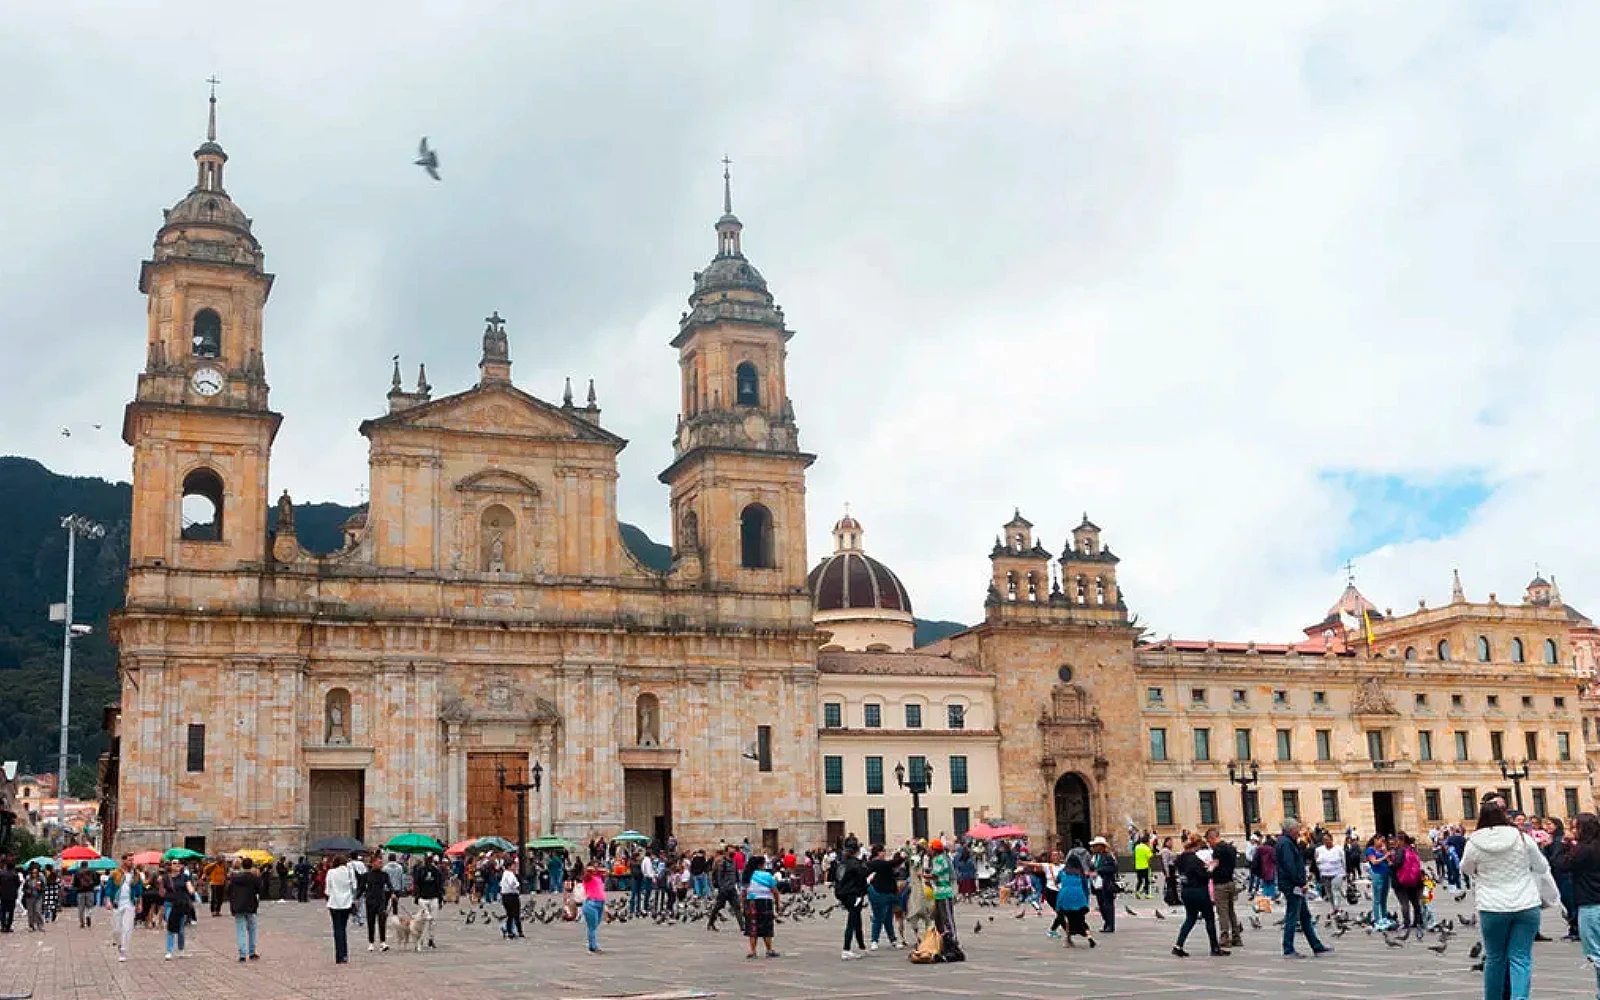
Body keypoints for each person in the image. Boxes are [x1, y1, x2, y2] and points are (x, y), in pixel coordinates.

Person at [1461, 799, 1550, 1000]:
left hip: (1492, 906)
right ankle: (1520, 998)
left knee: (1495, 958)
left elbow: (1465, 869)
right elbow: (1542, 867)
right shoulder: (1522, 838)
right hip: (1526, 903)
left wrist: (1483, 871)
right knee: (1520, 957)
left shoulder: (1474, 842)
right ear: (1504, 817)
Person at [1275, 820, 1332, 959]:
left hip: (1292, 884)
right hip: (1292, 885)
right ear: (1290, 830)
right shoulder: (1286, 843)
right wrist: (1300, 883)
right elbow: (1290, 866)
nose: (1299, 832)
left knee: (1305, 916)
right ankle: (1288, 948)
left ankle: (1316, 945)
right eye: (1297, 829)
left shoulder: (1285, 842)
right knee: (1292, 916)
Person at [1170, 835, 1224, 957]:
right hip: (1199, 891)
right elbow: (1204, 875)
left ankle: (1178, 945)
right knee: (1209, 918)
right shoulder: (1194, 859)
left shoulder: (1180, 858)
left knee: (1190, 918)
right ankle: (1214, 947)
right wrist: (1210, 869)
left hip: (1186, 891)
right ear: (1198, 845)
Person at [1566, 813, 1600, 995]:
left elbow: (1562, 864)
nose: (1572, 831)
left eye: (1575, 827)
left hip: (1590, 904)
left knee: (1596, 953)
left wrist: (1565, 845)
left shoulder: (1583, 850)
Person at [1206, 829, 1242, 948]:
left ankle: (1224, 937)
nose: (1209, 845)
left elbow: (1215, 864)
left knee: (1222, 912)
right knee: (1231, 911)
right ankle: (1236, 937)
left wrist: (1208, 869)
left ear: (1212, 838)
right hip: (1231, 882)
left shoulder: (1217, 849)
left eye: (1208, 841)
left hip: (1220, 884)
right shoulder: (1231, 848)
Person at [104, 855, 143, 961]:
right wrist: (108, 901)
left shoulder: (136, 875)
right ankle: (120, 945)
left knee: (127, 927)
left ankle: (124, 951)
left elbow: (139, 891)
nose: (131, 862)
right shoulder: (115, 874)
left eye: (132, 860)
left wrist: (139, 904)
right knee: (116, 930)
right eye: (129, 860)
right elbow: (109, 888)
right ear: (124, 861)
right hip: (117, 903)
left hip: (130, 903)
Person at [1053, 855, 1096, 948]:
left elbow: (1056, 881)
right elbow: (1085, 886)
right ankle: (1089, 937)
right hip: (1078, 896)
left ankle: (1068, 939)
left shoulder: (1063, 872)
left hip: (1065, 896)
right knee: (1081, 919)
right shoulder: (1080, 873)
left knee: (1067, 918)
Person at [864, 846, 901, 950]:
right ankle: (874, 940)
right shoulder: (875, 863)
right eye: (883, 851)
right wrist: (903, 857)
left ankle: (892, 939)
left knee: (888, 917)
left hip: (889, 892)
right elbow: (890, 864)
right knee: (878, 917)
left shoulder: (881, 863)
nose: (884, 853)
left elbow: (891, 872)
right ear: (878, 853)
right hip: (878, 892)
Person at [1389, 832, 1425, 935]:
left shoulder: (1400, 851)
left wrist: (1390, 863)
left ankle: (1407, 922)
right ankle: (1418, 921)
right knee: (1415, 902)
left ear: (1401, 841)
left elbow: (1397, 864)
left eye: (1397, 840)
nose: (1395, 842)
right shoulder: (1412, 849)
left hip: (1401, 881)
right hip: (1413, 880)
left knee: (1404, 903)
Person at [744, 860, 781, 959]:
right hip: (765, 902)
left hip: (751, 902)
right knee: (767, 927)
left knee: (752, 927)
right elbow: (775, 892)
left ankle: (753, 951)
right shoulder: (767, 875)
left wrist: (743, 905)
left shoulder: (748, 875)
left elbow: (744, 891)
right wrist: (778, 905)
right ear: (760, 865)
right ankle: (769, 950)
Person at [835, 847, 868, 959]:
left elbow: (838, 879)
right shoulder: (856, 864)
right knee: (852, 920)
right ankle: (846, 948)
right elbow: (862, 876)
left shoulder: (842, 864)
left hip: (842, 894)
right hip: (853, 894)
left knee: (856, 919)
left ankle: (861, 945)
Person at [228, 857, 262, 962]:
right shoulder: (254, 878)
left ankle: (242, 955)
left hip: (238, 906)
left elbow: (229, 892)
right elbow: (260, 890)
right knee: (252, 930)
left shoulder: (235, 878)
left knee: (241, 930)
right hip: (251, 906)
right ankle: (252, 952)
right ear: (251, 866)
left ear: (242, 865)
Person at [324, 854, 357, 964]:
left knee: (337, 929)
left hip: (334, 903)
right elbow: (354, 887)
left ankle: (339, 955)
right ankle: (345, 955)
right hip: (347, 903)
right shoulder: (349, 871)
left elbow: (328, 890)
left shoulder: (331, 872)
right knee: (343, 928)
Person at [161, 860, 197, 959]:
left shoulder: (184, 877)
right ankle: (169, 951)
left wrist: (192, 889)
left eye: (179, 864)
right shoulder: (166, 878)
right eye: (174, 863)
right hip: (169, 904)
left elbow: (190, 888)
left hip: (181, 905)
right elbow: (162, 893)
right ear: (171, 866)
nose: (177, 865)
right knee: (171, 926)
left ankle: (181, 949)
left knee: (180, 929)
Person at [706, 848, 744, 934]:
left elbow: (736, 874)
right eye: (731, 851)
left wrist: (737, 885)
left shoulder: (733, 862)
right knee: (718, 906)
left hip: (732, 889)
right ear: (727, 853)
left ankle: (742, 926)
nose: (733, 852)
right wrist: (722, 888)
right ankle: (710, 923)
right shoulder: (723, 863)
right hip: (724, 889)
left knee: (737, 907)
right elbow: (720, 877)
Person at [413, 854, 444, 948]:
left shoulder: (436, 871)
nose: (429, 862)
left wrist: (440, 899)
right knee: (422, 920)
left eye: (430, 860)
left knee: (433, 920)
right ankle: (420, 939)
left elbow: (439, 885)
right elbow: (417, 883)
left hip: (434, 897)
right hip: (423, 898)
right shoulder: (420, 870)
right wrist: (417, 896)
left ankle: (431, 939)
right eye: (427, 859)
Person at [1089, 837, 1119, 933]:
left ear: (1101, 847)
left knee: (1108, 905)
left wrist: (1098, 871)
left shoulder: (1108, 857)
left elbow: (1113, 869)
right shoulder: (1094, 857)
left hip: (1107, 884)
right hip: (1097, 884)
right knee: (1101, 905)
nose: (1093, 848)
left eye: (1095, 846)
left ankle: (1110, 925)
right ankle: (1107, 923)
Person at [1365, 834, 1393, 930]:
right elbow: (1374, 862)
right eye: (1381, 840)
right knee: (1377, 898)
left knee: (1384, 898)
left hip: (1386, 874)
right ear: (1375, 840)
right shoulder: (1370, 850)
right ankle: (1377, 919)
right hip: (1377, 875)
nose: (1383, 843)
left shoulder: (1382, 850)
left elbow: (1389, 863)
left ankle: (1384, 917)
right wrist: (1385, 856)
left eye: (1384, 841)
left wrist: (1386, 853)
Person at [363, 853, 391, 951]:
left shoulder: (384, 875)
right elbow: (361, 888)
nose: (381, 864)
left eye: (381, 863)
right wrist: (356, 899)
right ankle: (371, 942)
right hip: (370, 901)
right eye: (379, 862)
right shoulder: (367, 875)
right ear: (373, 863)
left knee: (382, 921)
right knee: (371, 922)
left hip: (381, 900)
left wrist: (393, 893)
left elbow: (389, 885)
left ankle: (383, 942)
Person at [580, 861, 606, 953]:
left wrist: (599, 870)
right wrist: (590, 869)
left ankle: (592, 944)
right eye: (594, 867)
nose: (596, 868)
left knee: (595, 925)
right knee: (592, 926)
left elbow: (605, 872)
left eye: (597, 866)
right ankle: (593, 946)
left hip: (600, 903)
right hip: (591, 903)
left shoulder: (600, 877)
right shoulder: (587, 877)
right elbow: (586, 873)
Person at [1314, 832, 1345, 905]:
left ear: (1332, 839)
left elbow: (1344, 861)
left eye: (1327, 839)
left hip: (1337, 873)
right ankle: (1334, 909)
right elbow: (1316, 862)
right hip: (1325, 874)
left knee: (1335, 890)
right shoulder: (1318, 850)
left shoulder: (1339, 849)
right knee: (1329, 893)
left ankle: (1337, 908)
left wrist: (1345, 872)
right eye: (1324, 840)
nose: (1326, 841)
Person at [500, 864, 523, 939]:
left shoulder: (504, 874)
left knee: (510, 915)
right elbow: (512, 883)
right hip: (512, 896)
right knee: (516, 915)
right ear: (509, 866)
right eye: (514, 866)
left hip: (504, 896)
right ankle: (519, 932)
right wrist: (517, 886)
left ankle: (509, 931)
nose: (515, 867)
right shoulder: (510, 874)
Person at [72, 861, 97, 927]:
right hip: (90, 891)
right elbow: (95, 881)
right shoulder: (92, 871)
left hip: (80, 892)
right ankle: (88, 916)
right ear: (87, 865)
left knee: (81, 908)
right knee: (90, 906)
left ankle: (82, 923)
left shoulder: (77, 872)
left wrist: (76, 887)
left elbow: (74, 883)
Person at [0, 857, 19, 933]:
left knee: (3, 911)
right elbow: (17, 885)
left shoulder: (1, 874)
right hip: (12, 896)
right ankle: (8, 926)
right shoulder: (15, 875)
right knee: (11, 912)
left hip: (3, 895)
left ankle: (3, 925)